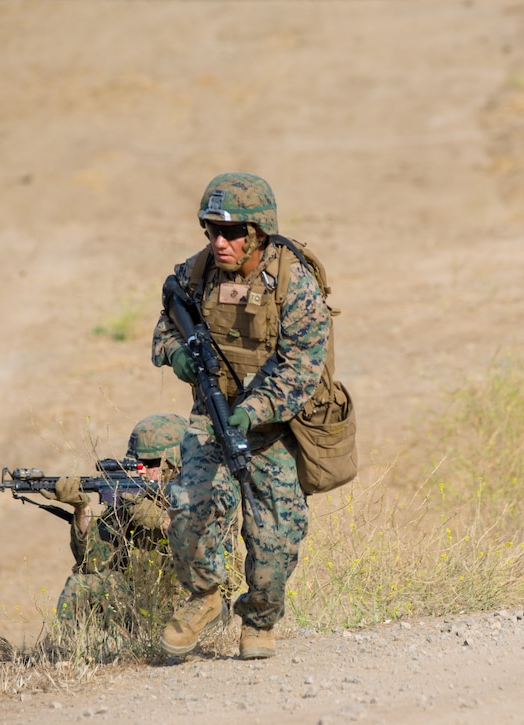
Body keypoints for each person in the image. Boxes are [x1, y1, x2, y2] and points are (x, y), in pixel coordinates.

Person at [152, 171, 330, 660]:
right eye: (212, 230)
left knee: (276, 543)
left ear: (258, 233)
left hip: (272, 427)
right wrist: (177, 356)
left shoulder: (293, 285)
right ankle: (205, 596)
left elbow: (302, 368)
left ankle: (259, 618)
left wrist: (252, 412)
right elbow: (164, 331)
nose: (220, 241)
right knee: (189, 511)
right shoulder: (195, 273)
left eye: (232, 232)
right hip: (213, 417)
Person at [40, 413, 187, 625]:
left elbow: (196, 546)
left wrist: (158, 518)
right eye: (138, 463)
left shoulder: (200, 496)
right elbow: (92, 564)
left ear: (176, 464)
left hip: (188, 609)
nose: (143, 471)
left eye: (152, 463)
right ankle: (70, 656)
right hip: (141, 608)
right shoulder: (131, 502)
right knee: (81, 584)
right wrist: (81, 510)